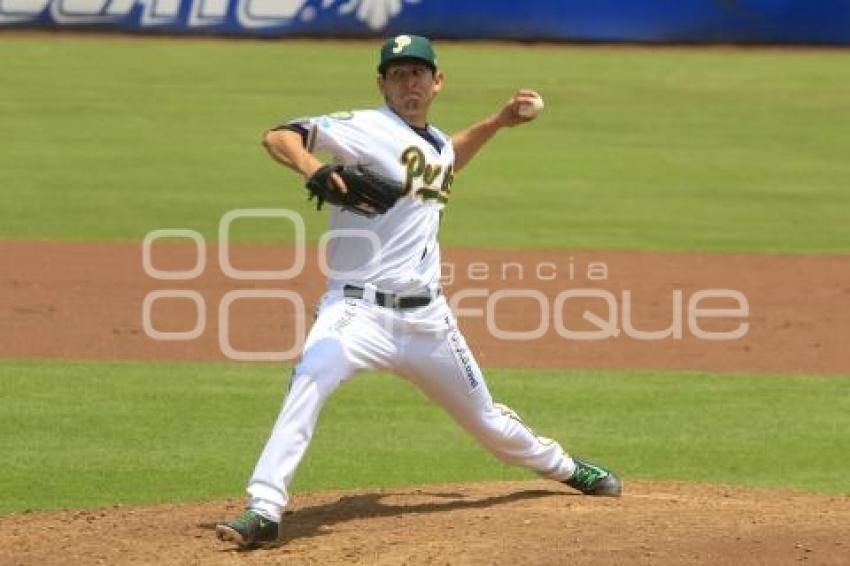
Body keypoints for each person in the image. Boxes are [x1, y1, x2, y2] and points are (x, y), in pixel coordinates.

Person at [216, 34, 621, 549]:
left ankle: (565, 467)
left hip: (428, 322)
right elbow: (279, 136)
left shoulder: (433, 146)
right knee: (311, 377)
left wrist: (497, 123)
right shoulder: (363, 127)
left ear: (438, 82)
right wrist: (313, 167)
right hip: (355, 310)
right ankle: (264, 508)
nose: (410, 83)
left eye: (419, 74)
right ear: (382, 83)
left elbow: (445, 162)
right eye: (398, 74)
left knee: (488, 421)